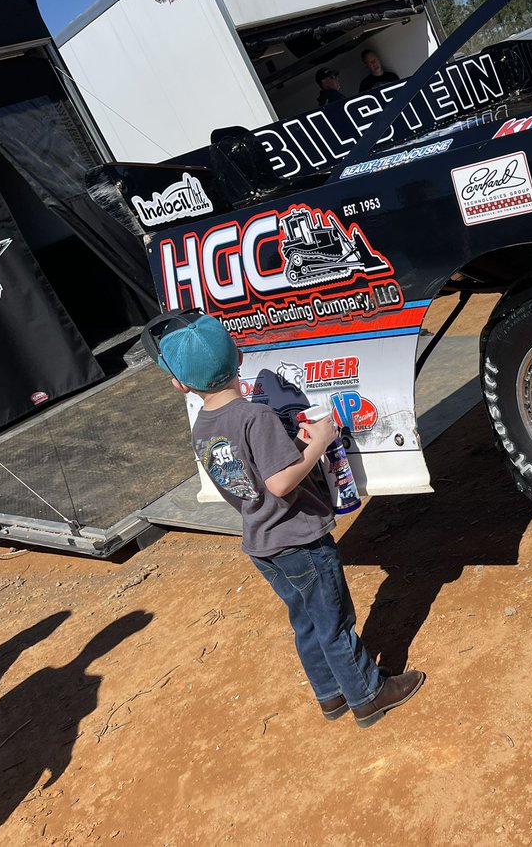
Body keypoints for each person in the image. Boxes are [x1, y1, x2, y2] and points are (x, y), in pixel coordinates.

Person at [140, 309, 424, 728]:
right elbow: (279, 482)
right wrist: (318, 442)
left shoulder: (203, 426)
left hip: (262, 541)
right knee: (334, 620)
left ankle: (331, 694)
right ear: (237, 357)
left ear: (181, 384)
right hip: (300, 540)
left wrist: (289, 447)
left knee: (306, 621)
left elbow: (251, 476)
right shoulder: (255, 417)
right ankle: (367, 694)